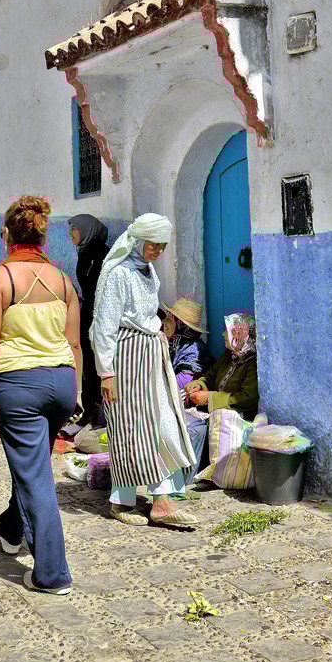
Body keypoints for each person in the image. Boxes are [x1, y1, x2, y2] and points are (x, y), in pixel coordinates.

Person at [0, 196, 83, 595]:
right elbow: (74, 344)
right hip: (62, 384)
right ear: (43, 237)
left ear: (7, 235)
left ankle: (52, 573)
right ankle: (10, 528)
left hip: (20, 387)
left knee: (36, 478)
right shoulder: (63, 281)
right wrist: (78, 392)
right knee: (32, 467)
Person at [91, 214, 198, 529]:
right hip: (126, 357)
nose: (158, 251)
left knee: (163, 424)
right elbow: (105, 326)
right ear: (138, 241)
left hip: (150, 356)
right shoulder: (119, 274)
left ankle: (163, 500)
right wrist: (106, 373)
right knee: (129, 428)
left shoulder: (148, 270)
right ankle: (121, 501)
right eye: (154, 244)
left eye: (163, 246)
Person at [184, 312, 260, 470]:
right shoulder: (228, 357)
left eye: (229, 331)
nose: (223, 334)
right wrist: (198, 384)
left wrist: (209, 398)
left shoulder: (252, 364)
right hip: (216, 418)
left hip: (235, 423)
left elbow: (249, 397)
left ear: (242, 334)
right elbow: (210, 376)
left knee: (197, 431)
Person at [69, 215, 109, 428]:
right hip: (88, 313)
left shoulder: (99, 254)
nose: (70, 233)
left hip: (98, 316)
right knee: (87, 365)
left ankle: (96, 414)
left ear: (86, 230)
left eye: (74, 229)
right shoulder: (85, 251)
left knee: (94, 364)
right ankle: (89, 412)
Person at [162, 297, 211, 390]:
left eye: (169, 319)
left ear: (181, 325)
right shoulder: (174, 344)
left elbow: (180, 383)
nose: (163, 322)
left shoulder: (195, 349)